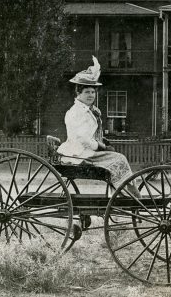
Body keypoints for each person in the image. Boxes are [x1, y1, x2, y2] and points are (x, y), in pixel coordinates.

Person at [57, 56, 140, 196]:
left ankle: (126, 193)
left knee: (118, 157)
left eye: (93, 92)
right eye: (87, 92)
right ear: (78, 93)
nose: (91, 95)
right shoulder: (77, 111)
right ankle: (129, 195)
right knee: (119, 158)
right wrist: (101, 146)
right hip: (78, 154)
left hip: (84, 152)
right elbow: (83, 138)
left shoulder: (88, 110)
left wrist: (101, 142)